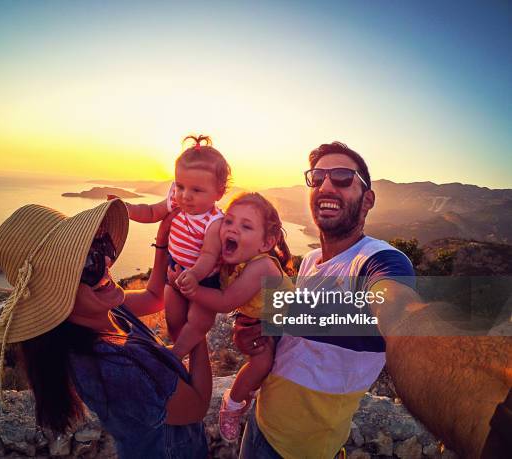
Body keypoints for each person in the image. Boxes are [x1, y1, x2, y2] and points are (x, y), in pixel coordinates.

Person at [234, 142, 511, 458]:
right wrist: (262, 333)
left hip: (301, 446)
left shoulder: (379, 260)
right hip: (263, 420)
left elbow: (395, 309)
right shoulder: (310, 260)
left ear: (368, 200)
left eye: (341, 177)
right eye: (317, 177)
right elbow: (303, 332)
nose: (326, 185)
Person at [0, 199, 211, 458]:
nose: (106, 260)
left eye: (100, 245)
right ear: (56, 294)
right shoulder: (113, 366)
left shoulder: (104, 311)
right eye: (88, 263)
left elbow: (154, 296)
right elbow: (197, 406)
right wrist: (198, 329)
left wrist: (162, 240)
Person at [176, 192, 294, 443]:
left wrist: (193, 290)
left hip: (286, 322)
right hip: (257, 322)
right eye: (228, 221)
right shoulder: (231, 256)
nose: (232, 229)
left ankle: (247, 393)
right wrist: (183, 274)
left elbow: (226, 301)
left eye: (246, 226)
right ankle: (232, 405)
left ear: (265, 243)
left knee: (277, 369)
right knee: (261, 364)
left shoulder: (262, 266)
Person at [117, 135, 231, 358]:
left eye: (197, 190)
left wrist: (194, 275)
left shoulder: (214, 221)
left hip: (204, 280)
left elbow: (209, 255)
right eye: (180, 186)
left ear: (218, 192)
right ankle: (181, 349)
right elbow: (151, 212)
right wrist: (126, 209)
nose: (185, 196)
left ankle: (176, 354)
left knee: (199, 322)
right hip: (173, 273)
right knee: (173, 319)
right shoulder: (176, 200)